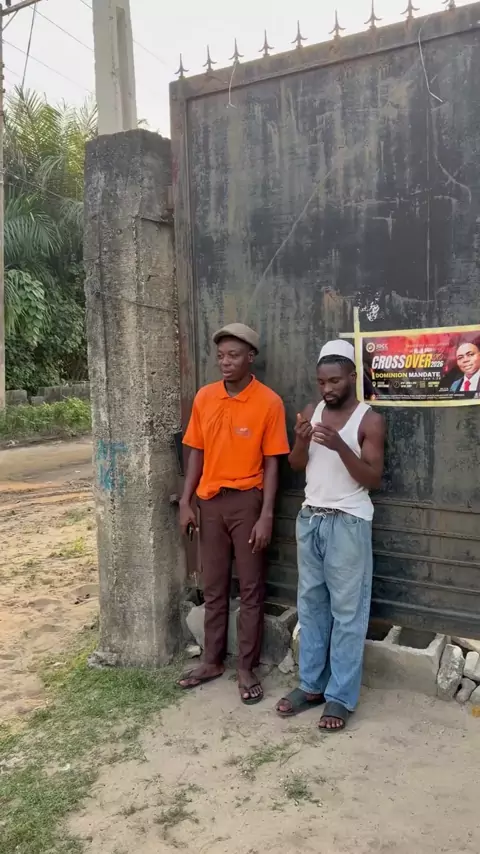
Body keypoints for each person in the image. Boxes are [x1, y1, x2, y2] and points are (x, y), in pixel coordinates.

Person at [275, 340, 385, 732]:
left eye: (335, 381)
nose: (327, 389)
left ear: (352, 377)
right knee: (311, 607)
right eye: (321, 382)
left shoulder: (369, 420)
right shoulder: (312, 412)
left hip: (349, 523)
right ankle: (311, 686)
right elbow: (295, 464)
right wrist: (302, 439)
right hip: (311, 519)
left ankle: (340, 695)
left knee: (348, 612)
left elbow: (372, 479)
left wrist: (339, 445)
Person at [178, 323, 289, 704]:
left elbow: (273, 463)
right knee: (214, 586)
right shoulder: (205, 397)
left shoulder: (269, 403)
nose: (225, 362)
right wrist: (186, 501)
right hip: (210, 503)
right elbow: (196, 452)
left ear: (250, 357)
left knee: (251, 588)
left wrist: (266, 514)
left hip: (247, 503)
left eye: (234, 355)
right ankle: (211, 661)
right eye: (221, 356)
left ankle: (246, 666)